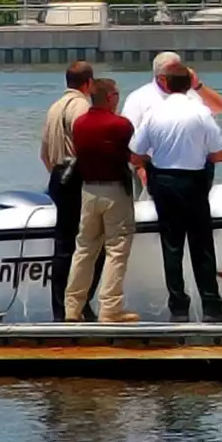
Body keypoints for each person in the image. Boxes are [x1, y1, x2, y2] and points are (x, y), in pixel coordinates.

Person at [129, 62, 222, 322]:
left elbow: (135, 154)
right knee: (202, 246)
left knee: (171, 247)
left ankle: (178, 308)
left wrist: (152, 163)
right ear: (188, 84)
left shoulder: (154, 113)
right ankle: (211, 306)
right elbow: (219, 154)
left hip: (164, 183)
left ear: (165, 83)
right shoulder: (200, 112)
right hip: (194, 182)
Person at [63, 78, 138, 323]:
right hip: (115, 191)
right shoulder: (121, 125)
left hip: (88, 191)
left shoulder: (80, 123)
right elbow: (133, 155)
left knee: (84, 249)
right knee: (116, 249)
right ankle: (111, 308)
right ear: (109, 97)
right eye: (116, 94)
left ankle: (72, 309)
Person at [40, 61, 95, 321]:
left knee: (62, 246)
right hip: (77, 180)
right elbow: (86, 145)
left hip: (57, 177)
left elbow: (44, 152)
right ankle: (79, 305)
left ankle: (59, 309)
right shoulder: (82, 106)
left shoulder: (53, 108)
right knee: (87, 245)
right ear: (88, 83)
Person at [122, 51, 222, 131]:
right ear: (161, 78)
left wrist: (198, 86)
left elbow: (219, 108)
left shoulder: (194, 92)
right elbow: (128, 133)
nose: (180, 75)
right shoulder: (138, 99)